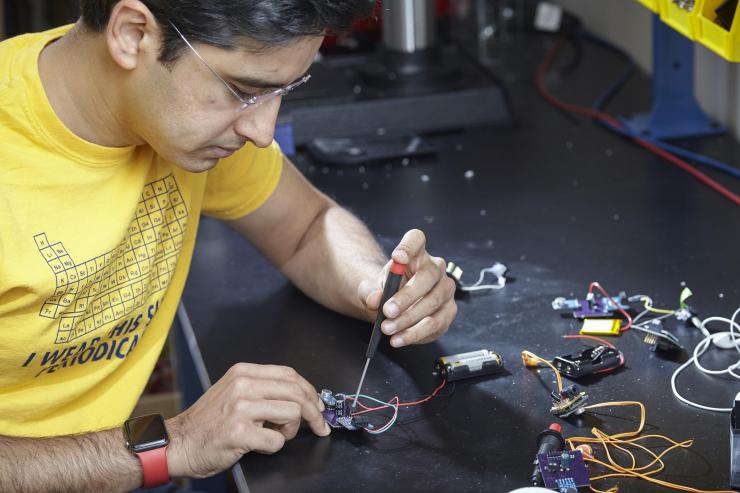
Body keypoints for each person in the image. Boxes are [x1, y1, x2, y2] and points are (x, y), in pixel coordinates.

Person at [0, 0, 458, 491]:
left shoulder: (175, 122)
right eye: (243, 91)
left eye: (284, 91)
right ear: (132, 34)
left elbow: (304, 226)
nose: (261, 133)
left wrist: (377, 287)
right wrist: (172, 444)